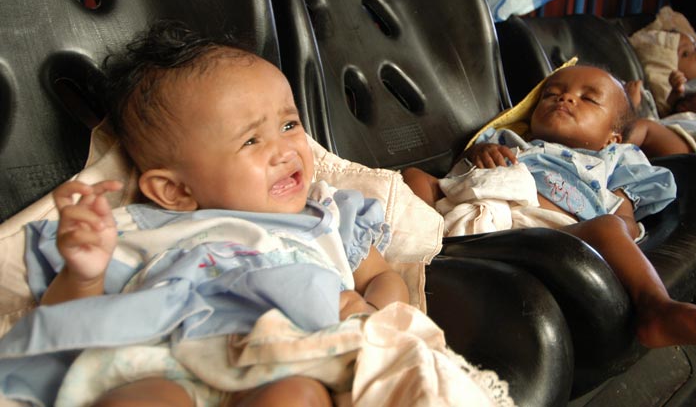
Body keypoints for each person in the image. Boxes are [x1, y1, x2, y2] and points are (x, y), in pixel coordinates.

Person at [1, 22, 412, 407]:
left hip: (292, 359)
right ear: (176, 191)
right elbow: (68, 320)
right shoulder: (150, 228)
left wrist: (372, 316)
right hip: (169, 365)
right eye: (251, 140)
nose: (285, 151)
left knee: (298, 396)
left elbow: (382, 276)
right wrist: (84, 274)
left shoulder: (326, 217)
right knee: (146, 398)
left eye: (289, 125)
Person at [403, 65, 696, 350]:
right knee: (414, 177)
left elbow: (624, 216)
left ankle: (655, 307)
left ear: (612, 137)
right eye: (552, 94)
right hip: (476, 214)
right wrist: (480, 153)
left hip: (551, 231)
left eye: (588, 98)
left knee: (608, 227)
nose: (564, 98)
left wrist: (622, 225)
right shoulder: (509, 139)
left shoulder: (615, 159)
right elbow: (463, 177)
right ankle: (414, 260)